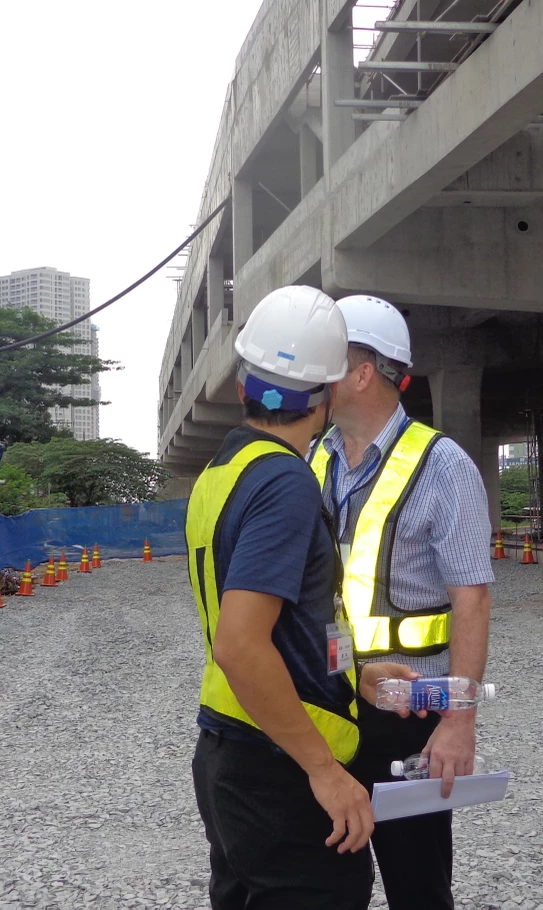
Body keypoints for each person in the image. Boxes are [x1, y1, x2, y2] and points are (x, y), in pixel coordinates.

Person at [187, 285, 426, 910]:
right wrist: (323, 770)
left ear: (244, 382)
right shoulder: (284, 482)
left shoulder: (221, 473)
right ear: (324, 397)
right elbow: (242, 645)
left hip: (232, 749)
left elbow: (281, 627)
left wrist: (354, 675)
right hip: (280, 767)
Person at [309, 294, 493, 910]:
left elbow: (472, 598)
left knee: (417, 883)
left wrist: (458, 721)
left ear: (364, 372)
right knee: (328, 879)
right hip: (330, 700)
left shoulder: (443, 465)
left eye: (328, 359)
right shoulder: (313, 457)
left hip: (408, 712)